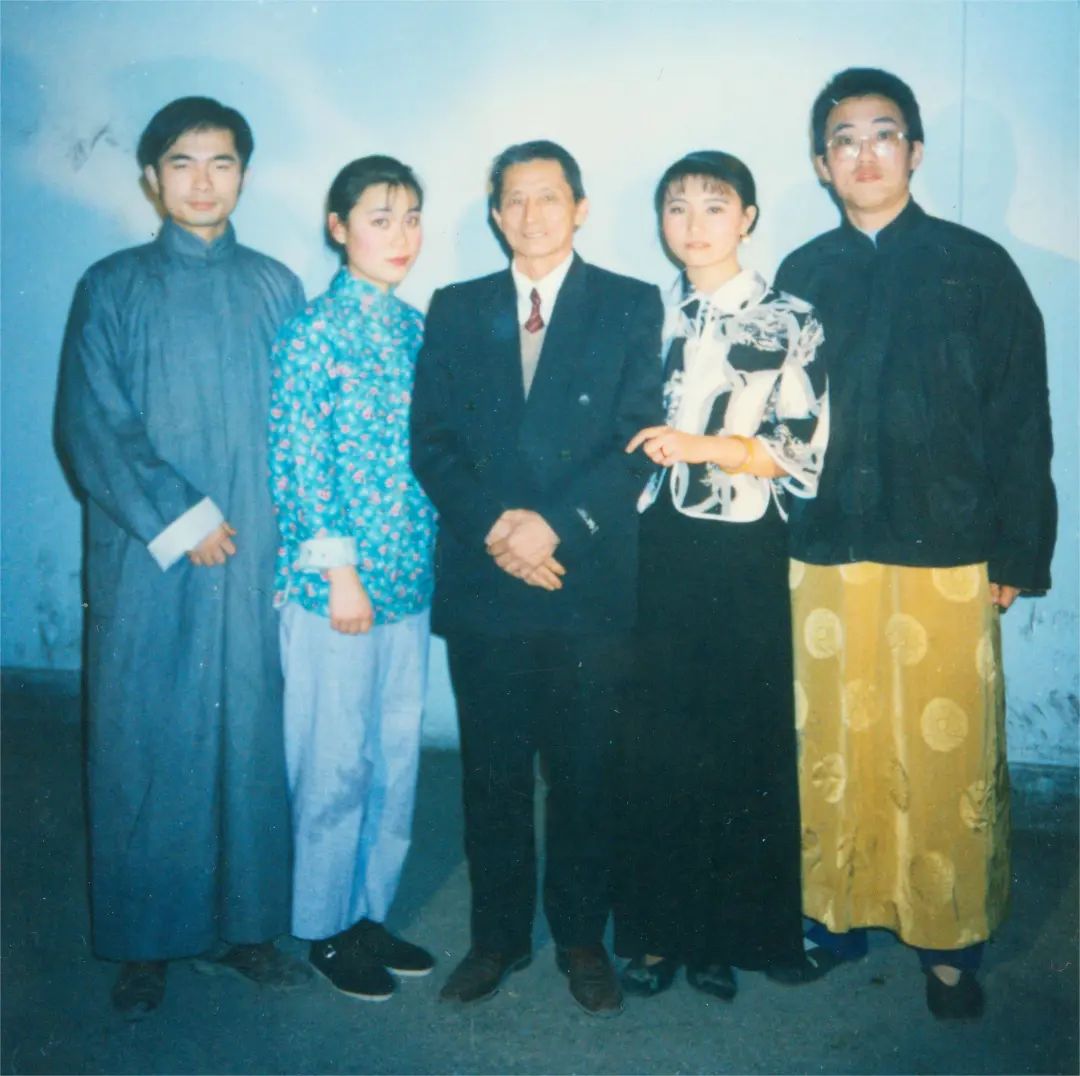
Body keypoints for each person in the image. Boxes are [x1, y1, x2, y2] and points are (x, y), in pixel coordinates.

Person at [775, 68, 1057, 1020]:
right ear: (823, 163)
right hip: (825, 543)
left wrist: (1019, 551)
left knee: (944, 749)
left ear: (916, 151)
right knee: (832, 739)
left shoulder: (977, 266)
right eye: (844, 139)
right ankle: (834, 917)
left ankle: (949, 941)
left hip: (948, 542)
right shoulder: (803, 274)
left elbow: (1021, 416)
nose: (864, 154)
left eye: (883, 134)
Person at [56, 96, 311, 1016]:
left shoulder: (277, 286)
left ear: (244, 173)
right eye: (182, 163)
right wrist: (182, 516)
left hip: (255, 551)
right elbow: (92, 423)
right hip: (150, 555)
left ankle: (249, 930)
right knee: (145, 735)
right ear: (151, 178)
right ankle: (145, 942)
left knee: (248, 732)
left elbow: (304, 424)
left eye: (221, 162)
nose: (203, 182)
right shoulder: (112, 286)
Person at [410, 140, 663, 1017]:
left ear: (580, 208)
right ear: (495, 213)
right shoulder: (456, 306)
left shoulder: (629, 302)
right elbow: (431, 441)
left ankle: (583, 938)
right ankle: (497, 937)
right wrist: (497, 528)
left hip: (582, 576)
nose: (531, 214)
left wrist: (552, 526)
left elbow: (636, 437)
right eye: (514, 199)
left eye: (549, 197)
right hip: (487, 577)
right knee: (493, 773)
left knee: (586, 771)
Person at [613, 152, 829, 1000]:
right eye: (677, 207)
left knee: (740, 739)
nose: (694, 223)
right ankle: (656, 933)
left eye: (714, 206)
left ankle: (728, 936)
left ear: (748, 218)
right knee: (654, 740)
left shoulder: (790, 318)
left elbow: (803, 450)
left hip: (740, 547)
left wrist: (703, 446)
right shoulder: (647, 313)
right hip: (652, 544)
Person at [268, 156, 436, 1002]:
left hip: (407, 583)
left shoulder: (412, 327)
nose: (400, 235)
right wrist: (341, 574)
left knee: (393, 758)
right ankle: (325, 928)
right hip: (337, 590)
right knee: (334, 763)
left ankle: (368, 912)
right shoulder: (312, 332)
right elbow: (300, 462)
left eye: (411, 217)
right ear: (338, 228)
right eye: (380, 217)